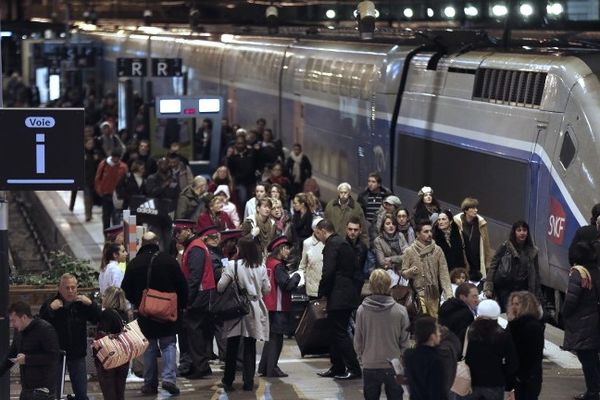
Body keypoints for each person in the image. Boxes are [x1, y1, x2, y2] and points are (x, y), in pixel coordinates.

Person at [120, 231, 188, 396]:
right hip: (168, 313)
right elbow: (182, 286)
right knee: (169, 345)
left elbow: (125, 289)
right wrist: (181, 306)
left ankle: (150, 384)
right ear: (157, 243)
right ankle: (169, 379)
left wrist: (139, 301)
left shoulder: (135, 263)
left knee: (149, 348)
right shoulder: (169, 261)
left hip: (145, 314)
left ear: (142, 244)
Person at [217, 235, 271, 392]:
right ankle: (248, 382)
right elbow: (267, 289)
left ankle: (228, 381)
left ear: (240, 249)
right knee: (250, 345)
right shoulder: (260, 266)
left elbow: (220, 287)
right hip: (253, 307)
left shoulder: (232, 265)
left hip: (234, 308)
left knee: (232, 345)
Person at [40, 273, 101, 400]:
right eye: (67, 288)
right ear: (60, 288)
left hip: (77, 353)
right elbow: (40, 324)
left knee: (81, 393)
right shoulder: (51, 303)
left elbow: (98, 318)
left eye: (73, 287)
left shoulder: (82, 304)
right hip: (56, 353)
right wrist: (50, 309)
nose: (70, 291)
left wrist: (91, 304)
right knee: (53, 392)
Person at [315, 219, 362, 380]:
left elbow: (328, 272)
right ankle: (337, 367)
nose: (317, 237)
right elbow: (355, 269)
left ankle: (354, 368)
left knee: (340, 333)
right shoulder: (343, 243)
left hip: (339, 295)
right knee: (335, 332)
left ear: (322, 230)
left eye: (317, 233)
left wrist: (321, 293)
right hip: (346, 293)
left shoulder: (332, 244)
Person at [354, 269, 410, 400]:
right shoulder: (401, 311)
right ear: (389, 284)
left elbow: (358, 340)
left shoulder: (362, 310)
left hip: (369, 363)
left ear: (371, 285)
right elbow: (405, 341)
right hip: (394, 365)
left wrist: (362, 358)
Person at [178, 222, 220, 379]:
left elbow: (195, 277)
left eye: (179, 232)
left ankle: (201, 367)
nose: (176, 236)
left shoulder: (195, 248)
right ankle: (200, 365)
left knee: (194, 331)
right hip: (202, 294)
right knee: (197, 331)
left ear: (188, 230)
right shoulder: (194, 246)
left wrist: (187, 300)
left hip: (200, 295)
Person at [258, 237, 301, 377]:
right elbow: (287, 285)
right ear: (280, 249)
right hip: (278, 306)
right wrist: (297, 277)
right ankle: (272, 368)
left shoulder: (269, 262)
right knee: (276, 339)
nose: (288, 252)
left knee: (270, 338)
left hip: (269, 305)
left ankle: (265, 367)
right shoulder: (278, 265)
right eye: (286, 248)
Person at [563, 241, 600, 400]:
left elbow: (571, 299)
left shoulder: (578, 273)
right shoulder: (596, 270)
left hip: (582, 322)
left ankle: (593, 392)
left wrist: (565, 313)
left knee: (587, 359)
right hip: (594, 319)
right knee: (592, 357)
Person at [460, 299, 518, 400]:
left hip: (470, 382)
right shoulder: (502, 335)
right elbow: (512, 363)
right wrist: (504, 376)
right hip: (495, 382)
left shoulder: (467, 332)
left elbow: (458, 354)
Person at [0, 302, 60, 400]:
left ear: (24, 317)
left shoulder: (45, 329)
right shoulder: (19, 332)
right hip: (26, 388)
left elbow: (53, 356)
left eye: (14, 321)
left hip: (43, 389)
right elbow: (10, 357)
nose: (12, 324)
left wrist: (27, 359)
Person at [484, 220, 543, 311]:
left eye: (524, 230)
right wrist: (488, 287)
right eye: (519, 230)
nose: (522, 233)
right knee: (508, 313)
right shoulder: (505, 247)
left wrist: (537, 294)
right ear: (514, 232)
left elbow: (536, 274)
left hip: (523, 290)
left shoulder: (533, 251)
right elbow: (493, 266)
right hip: (505, 289)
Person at [401, 221, 453, 318]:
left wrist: (449, 294)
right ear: (417, 234)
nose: (429, 234)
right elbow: (403, 273)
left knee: (435, 321)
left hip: (434, 294)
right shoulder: (409, 251)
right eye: (426, 231)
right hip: (418, 294)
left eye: (430, 231)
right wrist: (410, 272)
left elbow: (444, 274)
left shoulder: (437, 250)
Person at [506, 291, 545, 400]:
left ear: (526, 306)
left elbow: (532, 355)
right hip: (519, 376)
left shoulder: (531, 326)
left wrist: (520, 377)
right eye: (512, 304)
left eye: (517, 304)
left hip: (527, 378)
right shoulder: (515, 324)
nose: (513, 307)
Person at [94, 287, 130, 400]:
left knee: (109, 393)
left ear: (109, 298)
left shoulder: (107, 314)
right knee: (120, 392)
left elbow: (101, 336)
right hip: (123, 357)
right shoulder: (124, 314)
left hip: (109, 358)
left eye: (104, 296)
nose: (103, 298)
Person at [404, 316, 445, 400]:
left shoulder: (409, 355)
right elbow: (437, 391)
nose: (439, 333)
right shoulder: (436, 359)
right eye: (437, 331)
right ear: (432, 337)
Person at [454, 197, 493, 282]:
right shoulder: (457, 222)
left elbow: (486, 244)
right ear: (466, 210)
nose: (476, 210)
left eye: (476, 208)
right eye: (473, 208)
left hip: (477, 259)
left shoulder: (481, 223)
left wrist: (488, 262)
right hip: (462, 259)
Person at [324, 182, 369, 246]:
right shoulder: (331, 205)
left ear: (349, 192)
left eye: (345, 192)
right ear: (338, 193)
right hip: (332, 243)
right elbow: (325, 224)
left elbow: (363, 229)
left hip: (350, 244)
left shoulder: (356, 208)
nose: (343, 194)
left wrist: (365, 246)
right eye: (341, 192)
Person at [94, 149, 128, 231]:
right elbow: (98, 178)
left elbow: (126, 181)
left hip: (117, 195)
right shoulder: (104, 164)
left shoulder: (123, 167)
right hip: (106, 194)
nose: (116, 159)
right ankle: (106, 235)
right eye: (114, 157)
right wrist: (100, 191)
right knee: (106, 216)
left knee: (116, 216)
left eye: (118, 158)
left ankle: (115, 236)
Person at [298, 216, 325, 299]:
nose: (318, 230)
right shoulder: (307, 243)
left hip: (327, 286)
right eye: (317, 228)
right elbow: (302, 265)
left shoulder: (330, 242)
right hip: (313, 287)